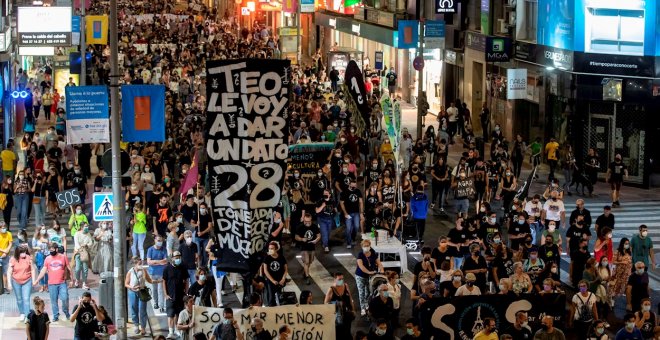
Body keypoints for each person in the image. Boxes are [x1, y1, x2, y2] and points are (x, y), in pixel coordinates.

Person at [34, 242, 70, 322]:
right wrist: (37, 280)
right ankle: (55, 315)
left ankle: (66, 312)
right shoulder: (47, 259)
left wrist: (72, 279)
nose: (51, 251)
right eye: (50, 249)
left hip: (62, 282)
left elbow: (69, 267)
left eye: (52, 249)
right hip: (51, 284)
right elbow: (43, 270)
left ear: (56, 249)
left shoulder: (63, 257)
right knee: (54, 301)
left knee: (65, 298)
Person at [163, 251, 190, 339]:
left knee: (178, 314)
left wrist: (186, 292)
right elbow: (164, 281)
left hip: (180, 295)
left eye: (179, 257)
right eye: (176, 257)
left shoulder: (183, 268)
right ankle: (170, 332)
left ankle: (177, 330)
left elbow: (186, 280)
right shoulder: (167, 268)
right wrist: (166, 294)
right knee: (170, 314)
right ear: (172, 258)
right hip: (170, 296)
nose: (178, 259)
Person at [125, 256, 155, 336]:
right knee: (134, 308)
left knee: (142, 310)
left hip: (142, 292)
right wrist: (132, 287)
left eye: (141, 262)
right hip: (132, 292)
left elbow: (149, 280)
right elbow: (126, 284)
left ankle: (143, 328)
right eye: (139, 262)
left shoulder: (143, 270)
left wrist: (159, 281)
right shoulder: (130, 272)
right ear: (135, 263)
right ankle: (136, 325)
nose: (141, 263)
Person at [355, 239, 383, 316]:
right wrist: (369, 272)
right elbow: (361, 266)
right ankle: (362, 308)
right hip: (360, 276)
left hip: (370, 277)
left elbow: (378, 262)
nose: (366, 247)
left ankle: (367, 304)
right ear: (362, 247)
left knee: (368, 291)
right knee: (361, 292)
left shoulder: (373, 252)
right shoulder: (360, 255)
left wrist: (382, 269)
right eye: (365, 246)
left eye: (368, 246)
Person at [8, 243, 36, 322]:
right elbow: (9, 272)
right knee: (19, 299)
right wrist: (9, 283)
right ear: (18, 252)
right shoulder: (13, 259)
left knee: (26, 298)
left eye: (24, 252)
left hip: (27, 280)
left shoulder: (28, 258)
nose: (23, 254)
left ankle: (27, 316)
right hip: (16, 281)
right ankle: (22, 313)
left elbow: (32, 269)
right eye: (21, 252)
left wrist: (34, 280)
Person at [324, 272, 355, 338]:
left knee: (347, 331)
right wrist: (336, 304)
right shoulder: (331, 289)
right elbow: (325, 304)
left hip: (347, 314)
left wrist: (353, 309)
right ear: (334, 280)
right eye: (339, 279)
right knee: (339, 333)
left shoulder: (345, 285)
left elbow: (350, 298)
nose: (341, 281)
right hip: (338, 316)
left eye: (342, 279)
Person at [295, 213, 320, 285]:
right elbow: (296, 237)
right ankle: (307, 277)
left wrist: (316, 240)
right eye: (305, 221)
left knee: (310, 261)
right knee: (306, 262)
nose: (307, 223)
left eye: (308, 221)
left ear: (311, 220)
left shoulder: (314, 226)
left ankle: (305, 272)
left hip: (312, 247)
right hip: (303, 247)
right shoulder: (300, 227)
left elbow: (319, 235)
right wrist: (302, 239)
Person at [262, 241, 288, 307]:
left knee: (280, 296)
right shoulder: (267, 258)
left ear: (276, 249)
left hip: (280, 280)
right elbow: (265, 271)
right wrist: (273, 281)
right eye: (269, 248)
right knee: (271, 297)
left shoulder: (281, 257)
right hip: (270, 281)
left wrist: (283, 279)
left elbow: (286, 269)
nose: (270, 250)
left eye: (272, 248)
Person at [147, 234, 168, 311]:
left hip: (161, 273)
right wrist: (159, 262)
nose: (160, 242)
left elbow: (165, 261)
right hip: (153, 273)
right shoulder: (150, 250)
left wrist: (154, 262)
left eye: (161, 241)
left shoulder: (164, 249)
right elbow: (149, 262)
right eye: (158, 240)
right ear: (155, 240)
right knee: (154, 289)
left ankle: (161, 306)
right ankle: (155, 303)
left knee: (161, 290)